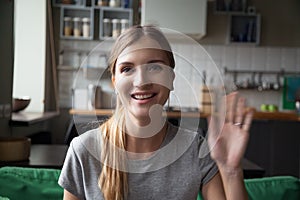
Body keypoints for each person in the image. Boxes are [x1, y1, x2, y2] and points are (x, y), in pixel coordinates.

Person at [58, 25, 254, 200]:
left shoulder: (196, 151)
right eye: (127, 69)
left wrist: (230, 171)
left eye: (154, 67)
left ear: (171, 78)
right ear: (115, 82)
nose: (142, 81)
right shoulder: (83, 150)